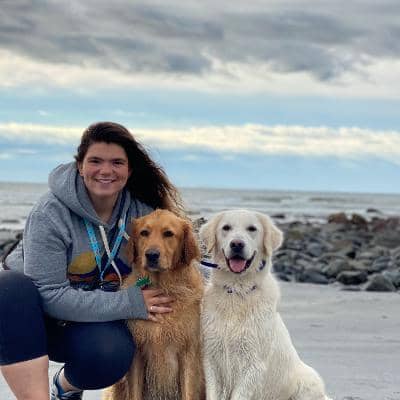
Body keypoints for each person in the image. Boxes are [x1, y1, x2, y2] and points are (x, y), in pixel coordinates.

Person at [0, 121, 183, 400]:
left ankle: (65, 387)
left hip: (90, 317)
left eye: (117, 162)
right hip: (35, 321)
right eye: (95, 161)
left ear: (129, 170)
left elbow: (178, 263)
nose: (106, 171)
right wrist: (131, 303)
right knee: (8, 287)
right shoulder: (50, 213)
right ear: (80, 166)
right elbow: (50, 295)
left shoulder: (144, 217)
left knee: (111, 352)